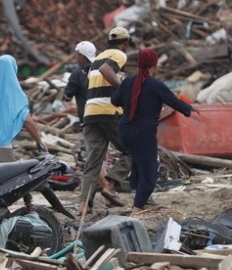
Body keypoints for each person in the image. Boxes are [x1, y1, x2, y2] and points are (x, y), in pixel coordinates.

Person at [111, 48, 198, 215]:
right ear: (154, 65)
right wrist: (191, 108)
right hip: (143, 133)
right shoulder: (155, 85)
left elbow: (115, 100)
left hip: (125, 130)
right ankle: (136, 209)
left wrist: (129, 96)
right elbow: (174, 101)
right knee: (150, 171)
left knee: (138, 163)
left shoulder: (128, 81)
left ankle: (140, 199)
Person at [78, 27, 131, 215]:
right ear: (125, 43)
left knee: (93, 161)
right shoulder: (119, 55)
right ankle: (110, 187)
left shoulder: (97, 59)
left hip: (90, 113)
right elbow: (106, 70)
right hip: (109, 111)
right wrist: (123, 90)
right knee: (132, 151)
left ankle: (84, 205)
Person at [63, 41, 96, 129]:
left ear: (83, 56)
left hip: (87, 118)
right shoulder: (103, 68)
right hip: (107, 115)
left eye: (77, 54)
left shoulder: (77, 73)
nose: (76, 57)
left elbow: (67, 96)